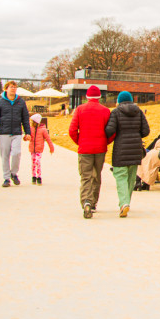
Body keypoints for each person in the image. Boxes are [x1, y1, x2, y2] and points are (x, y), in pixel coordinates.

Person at [68, 85, 112, 219]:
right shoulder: (105, 111)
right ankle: (93, 202)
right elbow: (111, 131)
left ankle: (86, 201)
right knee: (96, 175)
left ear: (87, 96)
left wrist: (79, 141)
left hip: (85, 148)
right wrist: (105, 142)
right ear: (99, 97)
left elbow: (72, 130)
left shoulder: (80, 109)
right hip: (100, 148)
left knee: (86, 176)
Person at [105, 91, 150, 218]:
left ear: (118, 101)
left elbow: (110, 130)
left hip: (121, 148)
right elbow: (146, 131)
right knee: (131, 177)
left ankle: (124, 203)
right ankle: (127, 202)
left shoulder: (116, 112)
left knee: (120, 176)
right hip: (135, 148)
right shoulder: (139, 111)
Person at [0, 81, 31, 187]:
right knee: (4, 156)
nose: (13, 89)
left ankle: (14, 173)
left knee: (16, 153)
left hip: (16, 133)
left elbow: (25, 118)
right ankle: (6, 178)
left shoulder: (21, 102)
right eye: (11, 87)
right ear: (6, 89)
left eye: (15, 87)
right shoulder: (0, 102)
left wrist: (27, 132)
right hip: (4, 133)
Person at [28, 114, 55, 184]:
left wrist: (51, 147)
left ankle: (39, 176)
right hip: (32, 148)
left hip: (39, 149)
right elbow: (27, 136)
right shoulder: (31, 129)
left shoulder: (43, 130)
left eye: (32, 122)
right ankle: (33, 176)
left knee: (37, 161)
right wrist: (26, 137)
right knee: (33, 162)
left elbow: (48, 139)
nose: (31, 123)